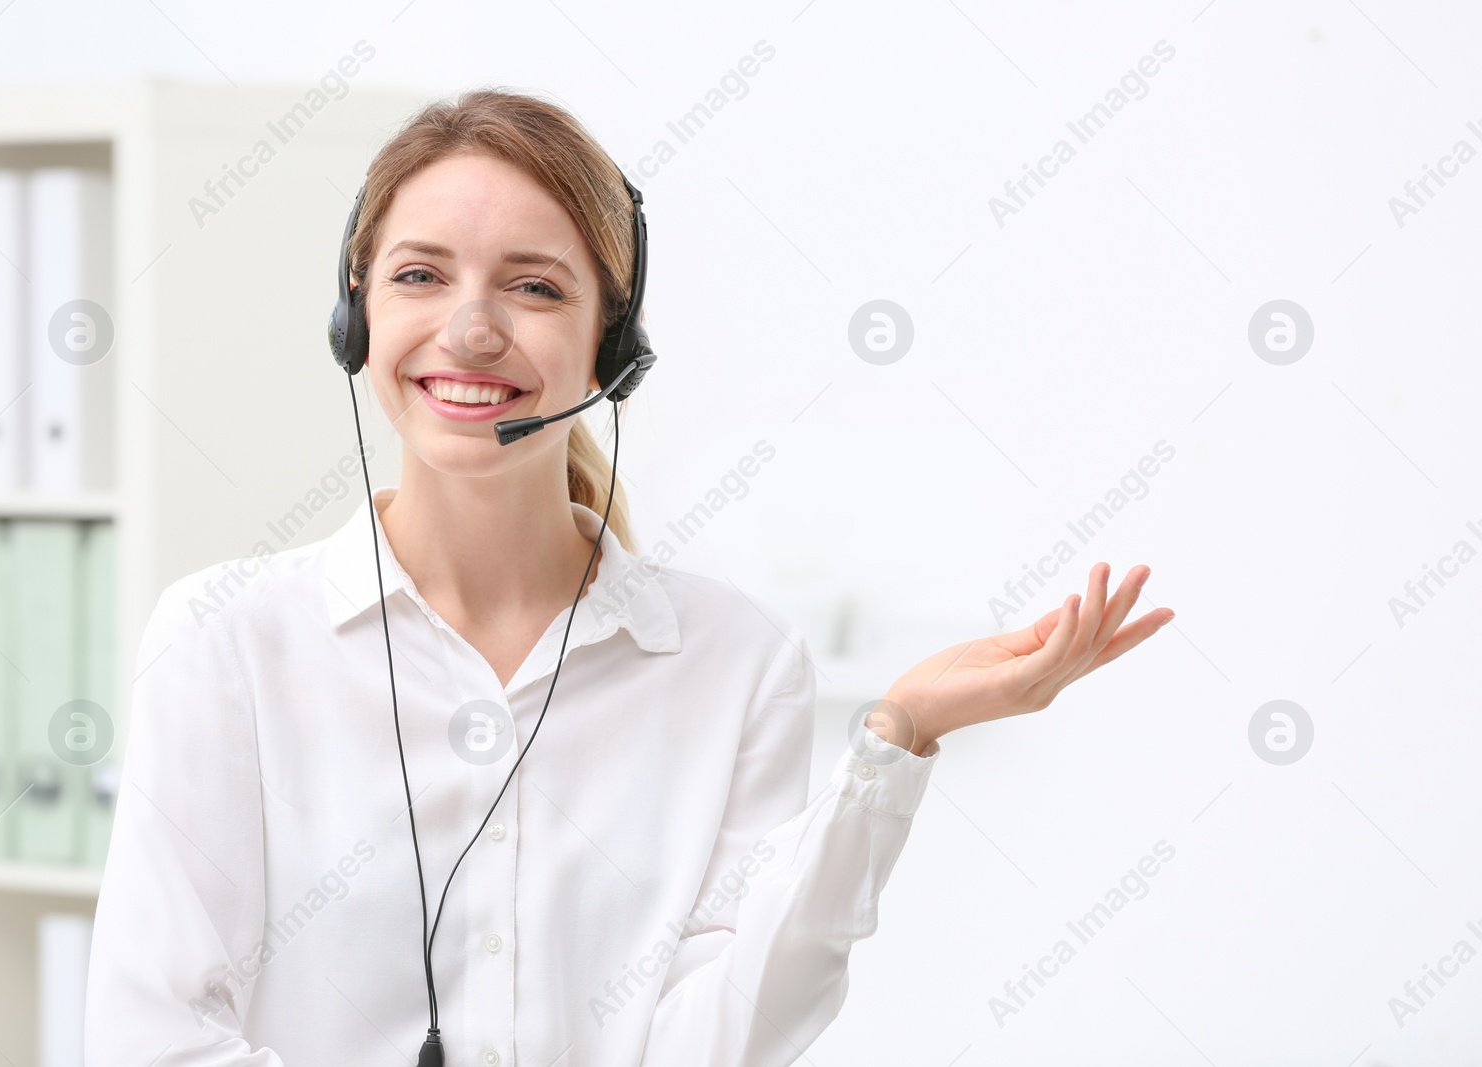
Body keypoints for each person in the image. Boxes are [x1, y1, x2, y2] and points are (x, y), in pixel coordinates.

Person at [84, 88, 1172, 1067]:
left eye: (534, 286)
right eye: (420, 275)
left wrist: (899, 735)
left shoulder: (735, 662)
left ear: (611, 346)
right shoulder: (223, 638)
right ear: (355, 315)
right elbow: (150, 1036)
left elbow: (724, 1040)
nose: (469, 328)